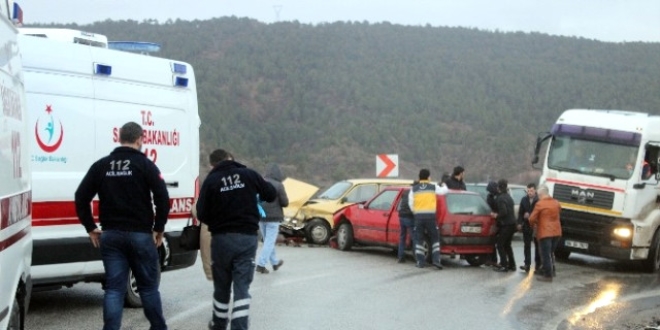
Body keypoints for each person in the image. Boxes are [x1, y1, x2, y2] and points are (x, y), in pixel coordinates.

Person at [74, 122, 169, 330]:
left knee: (114, 290)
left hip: (111, 236)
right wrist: (159, 228)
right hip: (141, 236)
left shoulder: (102, 165)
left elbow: (81, 197)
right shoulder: (145, 165)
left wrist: (90, 227)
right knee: (148, 289)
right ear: (139, 140)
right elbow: (162, 196)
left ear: (119, 139)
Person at [196, 149, 276, 330]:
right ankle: (239, 326)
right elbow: (270, 194)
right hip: (246, 239)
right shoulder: (249, 175)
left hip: (221, 240)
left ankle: (218, 324)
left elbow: (201, 213)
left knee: (222, 285)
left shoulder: (211, 181)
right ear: (230, 159)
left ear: (212, 165)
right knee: (242, 287)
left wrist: (217, 224)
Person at [408, 169, 448, 269]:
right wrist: (444, 184)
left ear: (419, 177)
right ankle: (436, 261)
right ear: (428, 177)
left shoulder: (414, 189)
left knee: (419, 239)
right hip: (430, 217)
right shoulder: (433, 187)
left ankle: (420, 262)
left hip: (419, 217)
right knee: (435, 238)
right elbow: (444, 191)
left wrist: (416, 212)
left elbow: (411, 204)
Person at [256, 164, 289, 274]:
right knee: (269, 242)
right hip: (273, 218)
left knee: (267, 241)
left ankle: (274, 263)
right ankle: (261, 264)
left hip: (261, 216)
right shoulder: (279, 185)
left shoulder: (260, 183)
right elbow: (285, 202)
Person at [528, 184, 562, 282]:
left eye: (538, 195)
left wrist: (534, 224)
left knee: (545, 254)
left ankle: (548, 275)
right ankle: (552, 271)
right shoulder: (556, 203)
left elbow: (531, 219)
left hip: (545, 232)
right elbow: (559, 211)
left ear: (541, 194)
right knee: (550, 252)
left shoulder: (540, 204)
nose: (538, 197)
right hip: (557, 232)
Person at [493, 179, 517, 273]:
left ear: (498, 187)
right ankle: (512, 264)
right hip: (512, 224)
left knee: (500, 245)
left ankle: (504, 265)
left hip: (506, 224)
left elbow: (504, 212)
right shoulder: (508, 197)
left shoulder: (500, 198)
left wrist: (496, 216)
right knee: (507, 245)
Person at [517, 183, 539, 273]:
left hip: (536, 226)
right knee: (527, 245)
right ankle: (527, 264)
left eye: (532, 191)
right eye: (528, 191)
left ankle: (538, 265)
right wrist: (519, 223)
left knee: (537, 246)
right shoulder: (524, 200)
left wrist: (530, 215)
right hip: (526, 225)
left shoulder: (538, 200)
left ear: (535, 191)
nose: (530, 193)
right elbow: (520, 212)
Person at [396, 182, 417, 263]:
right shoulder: (415, 194)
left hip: (401, 216)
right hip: (409, 217)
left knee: (402, 237)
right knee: (414, 238)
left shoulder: (405, 192)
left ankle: (400, 257)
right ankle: (417, 257)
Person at [484, 181, 500, 267]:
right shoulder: (491, 197)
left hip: (496, 219)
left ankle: (493, 259)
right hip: (492, 219)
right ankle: (490, 259)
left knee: (494, 241)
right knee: (491, 241)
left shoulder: (496, 197)